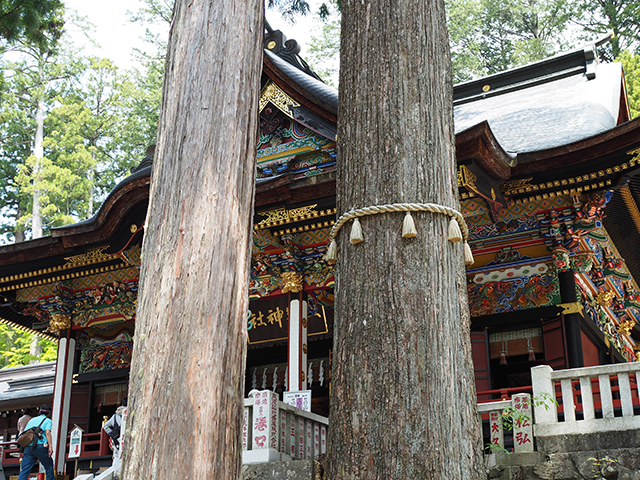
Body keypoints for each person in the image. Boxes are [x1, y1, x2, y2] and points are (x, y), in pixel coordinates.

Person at [17, 405, 54, 480]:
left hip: (28, 447)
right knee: (49, 466)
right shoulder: (47, 421)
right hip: (40, 446)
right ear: (49, 413)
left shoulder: (32, 420)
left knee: (25, 470)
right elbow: (47, 433)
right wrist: (50, 446)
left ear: (39, 411)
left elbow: (25, 432)